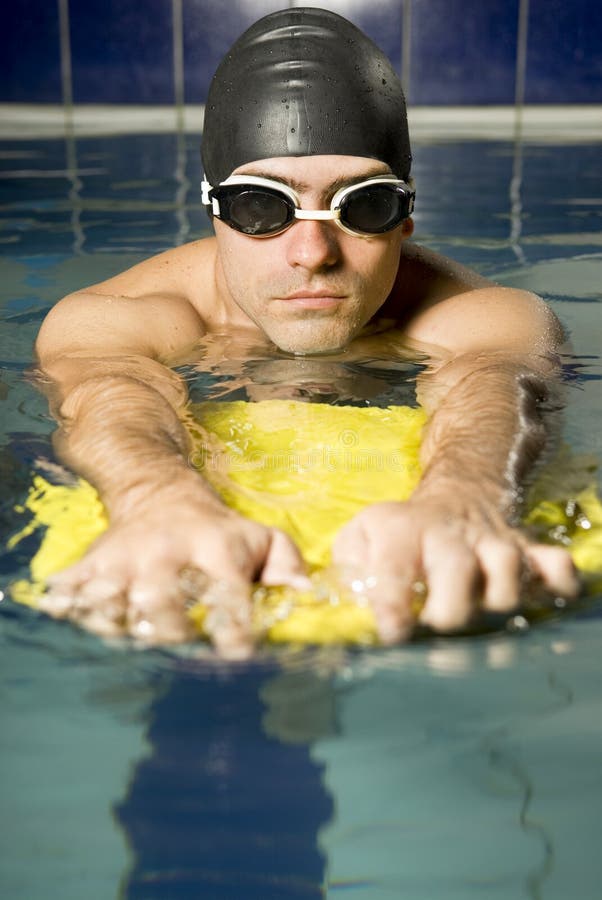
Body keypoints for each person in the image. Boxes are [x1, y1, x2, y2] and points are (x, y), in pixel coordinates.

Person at [34, 7, 578, 657]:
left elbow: (493, 386)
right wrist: (155, 499)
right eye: (264, 205)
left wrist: (466, 497)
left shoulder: (489, 315)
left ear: (405, 216)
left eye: (363, 204)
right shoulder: (116, 316)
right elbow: (112, 393)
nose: (313, 252)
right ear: (214, 212)